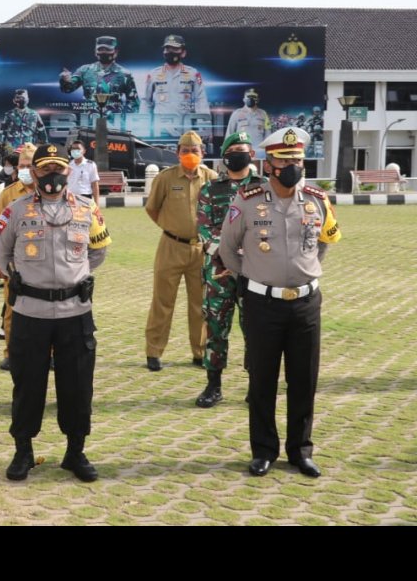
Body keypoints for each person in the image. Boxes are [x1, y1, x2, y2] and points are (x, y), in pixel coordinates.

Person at [220, 127, 340, 478]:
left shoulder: (318, 199)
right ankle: (264, 451)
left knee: (304, 379)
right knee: (263, 380)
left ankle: (300, 450)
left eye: (298, 159)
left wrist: (304, 272)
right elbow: (228, 248)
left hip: (305, 304)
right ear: (268, 164)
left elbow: (324, 243)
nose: (293, 165)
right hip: (262, 304)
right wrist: (254, 277)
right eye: (284, 160)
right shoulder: (247, 199)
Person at [0, 143, 111, 482]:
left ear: (69, 172)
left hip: (75, 311)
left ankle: (75, 452)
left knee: (77, 386)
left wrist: (73, 278)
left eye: (58, 169)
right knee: (27, 384)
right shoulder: (15, 211)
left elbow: (98, 252)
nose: (52, 176)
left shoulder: (87, 210)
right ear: (34, 173)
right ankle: (23, 451)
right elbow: (1, 256)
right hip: (31, 312)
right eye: (44, 169)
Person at [194, 131, 263, 408]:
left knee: (256, 330)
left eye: (242, 149)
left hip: (256, 271)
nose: (237, 154)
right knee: (215, 327)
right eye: (232, 149)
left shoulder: (265, 187)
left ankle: (256, 386)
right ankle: (213, 386)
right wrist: (229, 254)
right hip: (219, 272)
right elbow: (204, 228)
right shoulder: (211, 190)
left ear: (252, 155)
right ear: (224, 155)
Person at [143, 130, 218, 370]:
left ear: (202, 153)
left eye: (194, 151)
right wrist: (171, 228)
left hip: (201, 249)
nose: (189, 155)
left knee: (200, 304)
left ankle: (199, 352)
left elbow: (219, 212)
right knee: (162, 302)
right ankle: (153, 352)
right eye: (185, 151)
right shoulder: (165, 178)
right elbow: (152, 208)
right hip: (170, 247)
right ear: (177, 153)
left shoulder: (212, 178)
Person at [0, 143, 37, 369]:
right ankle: (10, 353)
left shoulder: (47, 192)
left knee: (45, 310)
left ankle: (46, 354)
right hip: (14, 262)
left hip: (42, 263)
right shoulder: (7, 195)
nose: (25, 170)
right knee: (11, 310)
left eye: (29, 166)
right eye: (22, 166)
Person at [142, 34, 209, 136]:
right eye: (168, 49)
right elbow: (146, 102)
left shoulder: (193, 74)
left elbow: (200, 101)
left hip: (186, 131)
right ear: (164, 52)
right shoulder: (153, 75)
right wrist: (143, 128)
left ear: (183, 53)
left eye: (175, 49)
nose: (171, 52)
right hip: (160, 131)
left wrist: (204, 128)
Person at [59, 36, 140, 116]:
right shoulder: (84, 70)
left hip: (114, 124)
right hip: (89, 123)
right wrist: (65, 80)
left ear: (115, 52)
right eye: (100, 50)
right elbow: (67, 89)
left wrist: (126, 122)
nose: (104, 53)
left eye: (108, 50)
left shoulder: (124, 74)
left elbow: (133, 102)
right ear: (95, 52)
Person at [0, 89, 47, 155]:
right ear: (14, 100)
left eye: (23, 98)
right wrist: (1, 147)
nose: (20, 100)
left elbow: (42, 131)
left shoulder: (34, 114)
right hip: (12, 150)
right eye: (18, 98)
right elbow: (2, 131)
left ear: (28, 99)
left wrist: (43, 148)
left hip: (29, 150)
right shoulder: (9, 114)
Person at [226, 89, 272, 159]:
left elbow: (268, 134)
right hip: (242, 151)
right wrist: (228, 151)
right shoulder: (237, 113)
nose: (251, 99)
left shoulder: (263, 114)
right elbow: (229, 134)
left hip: (259, 153)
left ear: (258, 99)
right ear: (244, 99)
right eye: (248, 97)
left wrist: (268, 151)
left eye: (253, 97)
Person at [66, 139, 100, 206]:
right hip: (71, 197)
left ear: (84, 151)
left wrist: (97, 204)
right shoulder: (68, 165)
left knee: (85, 216)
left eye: (78, 149)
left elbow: (95, 185)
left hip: (85, 197)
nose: (75, 151)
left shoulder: (90, 165)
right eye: (73, 149)